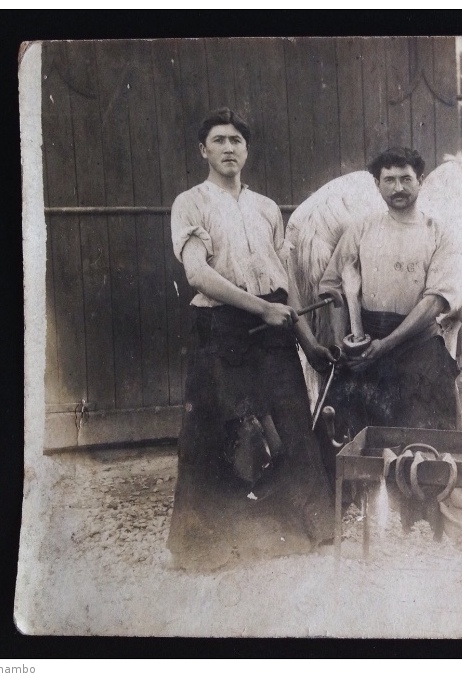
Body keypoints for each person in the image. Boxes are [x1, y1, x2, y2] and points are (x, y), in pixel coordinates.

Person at [166, 108, 336, 570]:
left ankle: (303, 529)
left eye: (236, 140)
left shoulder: (265, 208)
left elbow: (286, 286)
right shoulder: (191, 204)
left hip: (276, 333)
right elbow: (198, 275)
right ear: (203, 150)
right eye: (218, 140)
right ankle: (208, 543)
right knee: (215, 433)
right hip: (221, 333)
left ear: (247, 149)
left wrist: (307, 340)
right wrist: (262, 308)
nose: (228, 148)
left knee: (294, 425)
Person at [317, 147, 462, 435]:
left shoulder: (439, 232)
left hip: (418, 348)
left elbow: (435, 302)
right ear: (377, 184)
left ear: (420, 181)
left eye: (406, 179)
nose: (398, 188)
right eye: (389, 180)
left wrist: (386, 345)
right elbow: (332, 287)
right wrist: (347, 346)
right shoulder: (361, 229)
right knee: (352, 444)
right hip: (365, 349)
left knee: (427, 444)